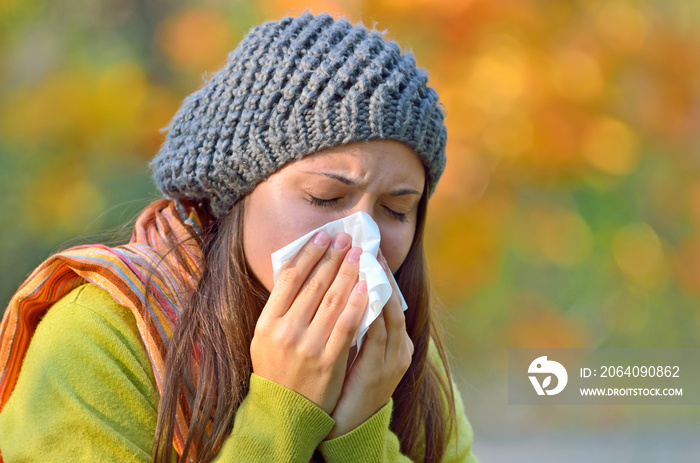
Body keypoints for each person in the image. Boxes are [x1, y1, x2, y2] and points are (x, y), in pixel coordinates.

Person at [0, 12, 478, 463]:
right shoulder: (99, 336)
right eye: (325, 197)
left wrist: (364, 437)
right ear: (237, 193)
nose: (362, 239)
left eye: (396, 210)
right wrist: (282, 413)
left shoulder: (397, 351)